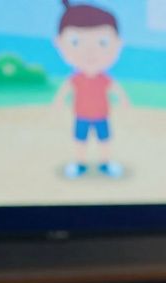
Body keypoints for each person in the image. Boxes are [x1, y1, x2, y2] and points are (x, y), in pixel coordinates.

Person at [52, 0, 129, 179]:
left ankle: (105, 163)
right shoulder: (76, 79)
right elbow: (65, 90)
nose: (90, 51)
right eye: (76, 41)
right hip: (82, 115)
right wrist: (58, 101)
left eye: (102, 42)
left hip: (101, 115)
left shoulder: (104, 79)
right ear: (59, 43)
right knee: (80, 141)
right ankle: (80, 165)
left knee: (104, 140)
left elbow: (115, 89)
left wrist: (123, 100)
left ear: (118, 44)